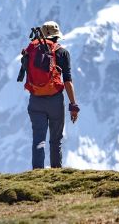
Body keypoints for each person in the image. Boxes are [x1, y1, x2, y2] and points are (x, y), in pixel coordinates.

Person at [21, 21, 80, 169]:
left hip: (35, 100)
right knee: (55, 140)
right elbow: (67, 80)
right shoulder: (62, 52)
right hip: (55, 100)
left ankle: (37, 173)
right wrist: (73, 104)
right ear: (56, 36)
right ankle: (56, 172)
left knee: (38, 139)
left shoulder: (31, 50)